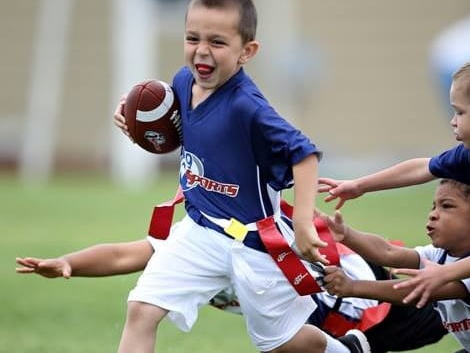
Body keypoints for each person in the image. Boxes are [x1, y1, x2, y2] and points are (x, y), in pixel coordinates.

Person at [112, 0, 362, 353]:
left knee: (282, 344)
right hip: (199, 230)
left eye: (217, 42)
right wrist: (136, 122)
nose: (201, 51)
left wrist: (306, 224)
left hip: (254, 242)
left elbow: (305, 154)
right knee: (141, 309)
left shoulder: (249, 107)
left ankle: (348, 350)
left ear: (247, 51)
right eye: (193, 38)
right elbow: (187, 130)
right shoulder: (183, 82)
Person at [16, 227, 447, 353]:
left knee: (452, 309)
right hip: (319, 326)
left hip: (367, 305)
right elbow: (124, 254)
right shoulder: (196, 239)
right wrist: (70, 261)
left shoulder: (241, 233)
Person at [318, 62, 470, 307]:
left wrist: (444, 273)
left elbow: (421, 289)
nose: (453, 121)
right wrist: (359, 186)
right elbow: (422, 168)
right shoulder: (464, 156)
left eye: (460, 112)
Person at [320, 178, 470, 353]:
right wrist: (345, 234)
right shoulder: (440, 254)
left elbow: (416, 291)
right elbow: (388, 252)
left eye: (447, 206)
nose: (433, 214)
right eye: (433, 206)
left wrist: (353, 287)